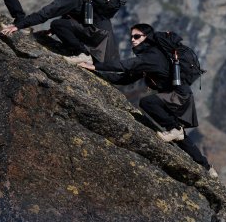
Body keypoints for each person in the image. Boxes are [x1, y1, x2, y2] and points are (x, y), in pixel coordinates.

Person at [83, 23, 216, 175]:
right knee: (181, 137)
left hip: (177, 95)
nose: (132, 40)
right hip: (176, 95)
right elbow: (125, 78)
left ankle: (176, 129)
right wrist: (97, 73)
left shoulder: (151, 56)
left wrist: (95, 65)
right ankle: (207, 167)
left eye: (137, 36)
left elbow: (124, 65)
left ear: (147, 38)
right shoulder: (149, 58)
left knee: (148, 103)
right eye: (132, 36)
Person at [0, 0, 118, 67]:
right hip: (102, 35)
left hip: (98, 36)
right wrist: (52, 30)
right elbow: (73, 14)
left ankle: (83, 54)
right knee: (57, 26)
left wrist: (18, 26)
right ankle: (81, 51)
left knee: (57, 24)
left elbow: (46, 13)